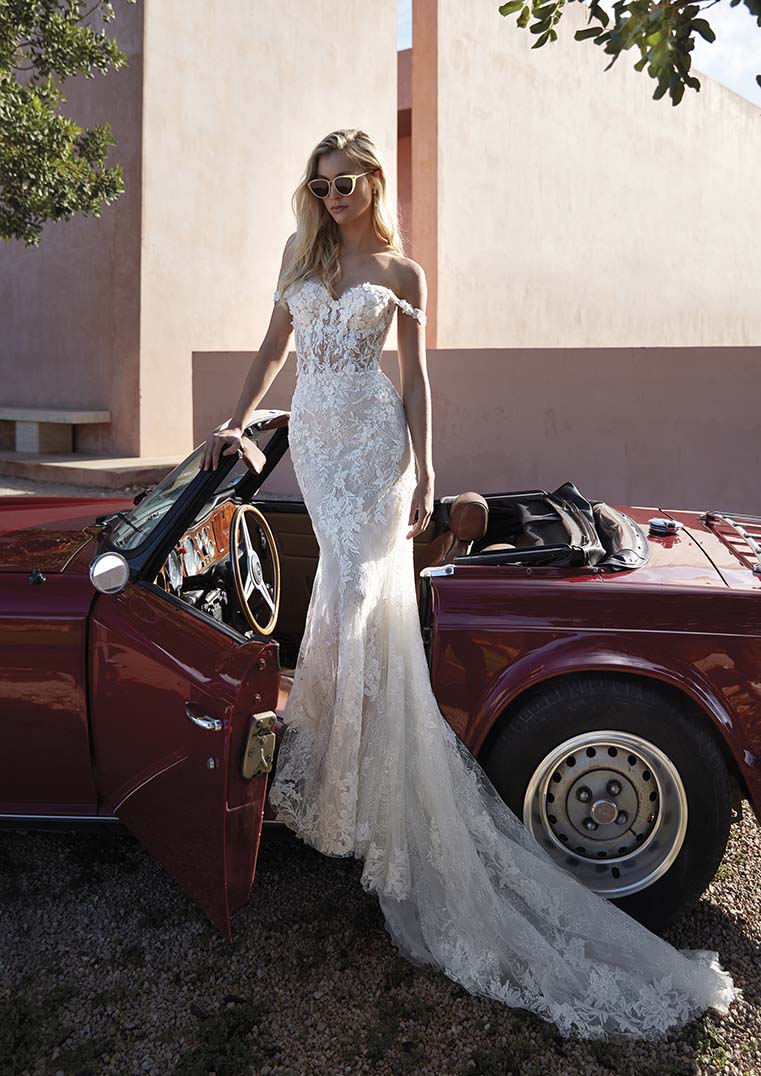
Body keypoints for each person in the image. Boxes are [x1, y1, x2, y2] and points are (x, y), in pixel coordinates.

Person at [199, 128, 739, 1040]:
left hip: (375, 449)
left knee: (361, 596)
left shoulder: (401, 273)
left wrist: (425, 469)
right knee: (339, 596)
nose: (332, 197)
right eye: (320, 185)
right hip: (318, 447)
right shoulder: (301, 252)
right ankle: (341, 779)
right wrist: (236, 421)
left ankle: (371, 797)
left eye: (345, 183)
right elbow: (270, 349)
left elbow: (414, 382)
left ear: (373, 182)